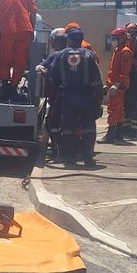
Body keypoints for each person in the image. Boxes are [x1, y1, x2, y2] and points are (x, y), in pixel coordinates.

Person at [48, 26, 104, 167]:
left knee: (68, 128)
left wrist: (56, 93)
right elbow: (96, 79)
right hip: (86, 97)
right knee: (89, 128)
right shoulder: (89, 55)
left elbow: (53, 76)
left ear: (69, 40)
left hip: (68, 97)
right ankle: (88, 159)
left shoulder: (61, 55)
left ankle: (70, 159)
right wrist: (98, 97)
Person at [0, 0, 38, 93]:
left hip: (8, 31)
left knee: (5, 60)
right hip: (25, 30)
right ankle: (13, 87)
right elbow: (33, 13)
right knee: (20, 61)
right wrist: (32, 29)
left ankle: (6, 88)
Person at [36, 28, 68, 160]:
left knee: (51, 122)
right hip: (76, 95)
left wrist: (42, 70)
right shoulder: (79, 54)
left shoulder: (56, 55)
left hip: (59, 94)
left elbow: (39, 67)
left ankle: (58, 149)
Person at [101, 28, 133, 143]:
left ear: (120, 39)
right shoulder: (117, 50)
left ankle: (111, 135)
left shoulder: (125, 52)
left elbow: (124, 72)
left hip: (118, 86)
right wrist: (108, 84)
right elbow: (112, 70)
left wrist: (116, 85)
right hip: (114, 84)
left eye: (114, 38)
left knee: (113, 109)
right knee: (118, 110)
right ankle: (118, 135)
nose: (112, 41)